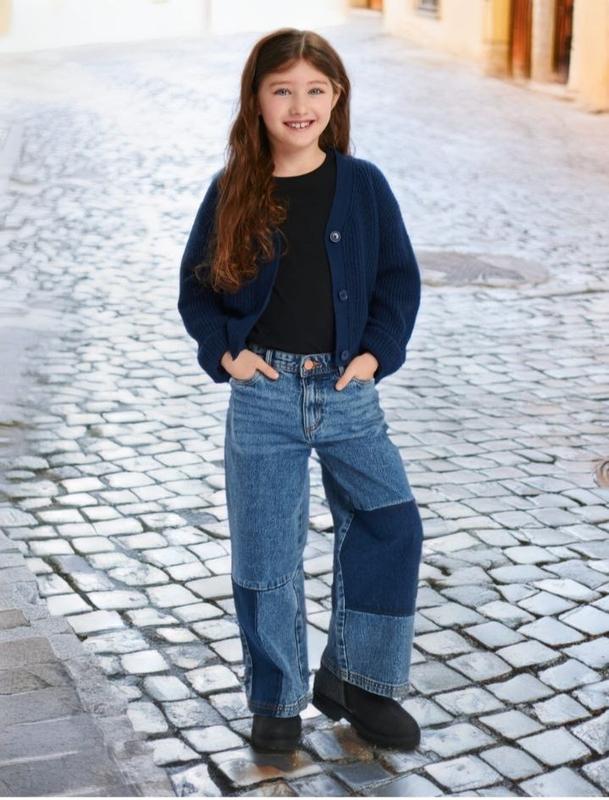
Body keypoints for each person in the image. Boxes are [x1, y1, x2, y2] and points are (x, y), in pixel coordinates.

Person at [177, 27, 424, 755]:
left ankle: (358, 682)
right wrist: (227, 354)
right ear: (255, 99)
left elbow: (398, 280)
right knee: (266, 551)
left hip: (348, 393)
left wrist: (375, 355)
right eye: (281, 89)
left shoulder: (363, 185)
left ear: (336, 97)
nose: (299, 105)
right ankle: (277, 698)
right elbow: (197, 288)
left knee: (390, 525)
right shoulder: (233, 191)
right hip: (264, 397)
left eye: (315, 89)